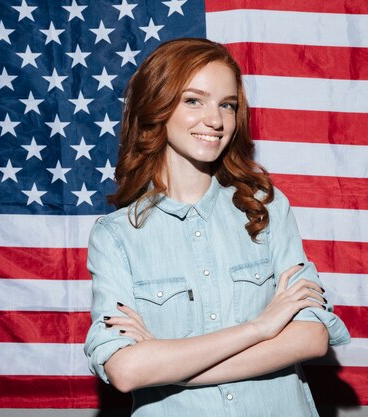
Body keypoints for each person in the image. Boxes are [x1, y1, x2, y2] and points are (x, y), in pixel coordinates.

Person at [84, 38, 350, 417]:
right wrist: (259, 328)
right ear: (156, 106)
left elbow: (311, 336)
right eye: (194, 100)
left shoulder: (266, 208)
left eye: (227, 104)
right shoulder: (115, 235)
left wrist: (167, 365)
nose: (216, 120)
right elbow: (125, 370)